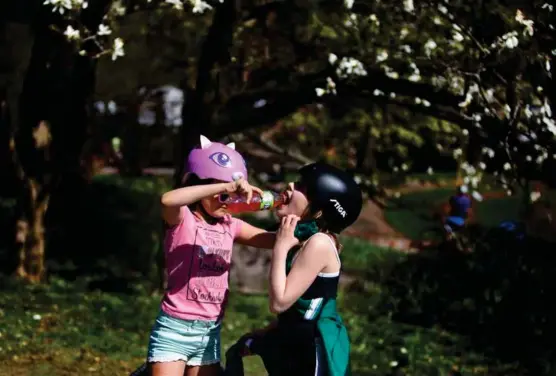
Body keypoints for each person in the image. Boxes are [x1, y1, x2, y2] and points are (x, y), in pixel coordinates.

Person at [132, 135, 277, 376]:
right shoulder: (182, 220)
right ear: (199, 185)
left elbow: (272, 239)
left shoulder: (230, 225)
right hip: (174, 329)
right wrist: (225, 186)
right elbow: (168, 199)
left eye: (232, 196)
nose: (227, 200)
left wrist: (288, 213)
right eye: (220, 194)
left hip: (209, 332)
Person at [224, 162, 363, 376]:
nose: (290, 185)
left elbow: (279, 302)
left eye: (302, 187)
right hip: (295, 339)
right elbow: (300, 306)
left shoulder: (319, 243)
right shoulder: (303, 238)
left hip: (314, 348)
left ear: (318, 211)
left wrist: (280, 247)